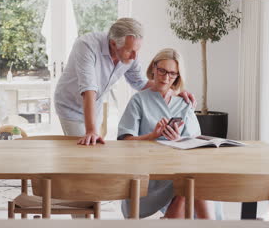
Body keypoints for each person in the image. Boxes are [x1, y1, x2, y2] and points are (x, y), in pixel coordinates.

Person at [54, 18, 195, 145]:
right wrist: (91, 130)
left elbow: (141, 82)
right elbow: (88, 88)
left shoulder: (130, 53)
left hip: (94, 104)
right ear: (114, 44)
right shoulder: (86, 46)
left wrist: (176, 90)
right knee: (85, 147)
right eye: (130, 51)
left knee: (95, 147)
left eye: (137, 51)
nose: (134, 56)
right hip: (71, 104)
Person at [117, 48, 213, 219]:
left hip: (178, 169)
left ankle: (171, 218)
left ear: (177, 76)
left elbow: (195, 142)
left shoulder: (183, 103)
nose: (165, 77)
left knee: (194, 181)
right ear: (153, 68)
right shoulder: (138, 101)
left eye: (172, 74)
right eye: (162, 70)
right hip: (149, 173)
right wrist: (152, 136)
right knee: (190, 184)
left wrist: (179, 139)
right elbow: (124, 142)